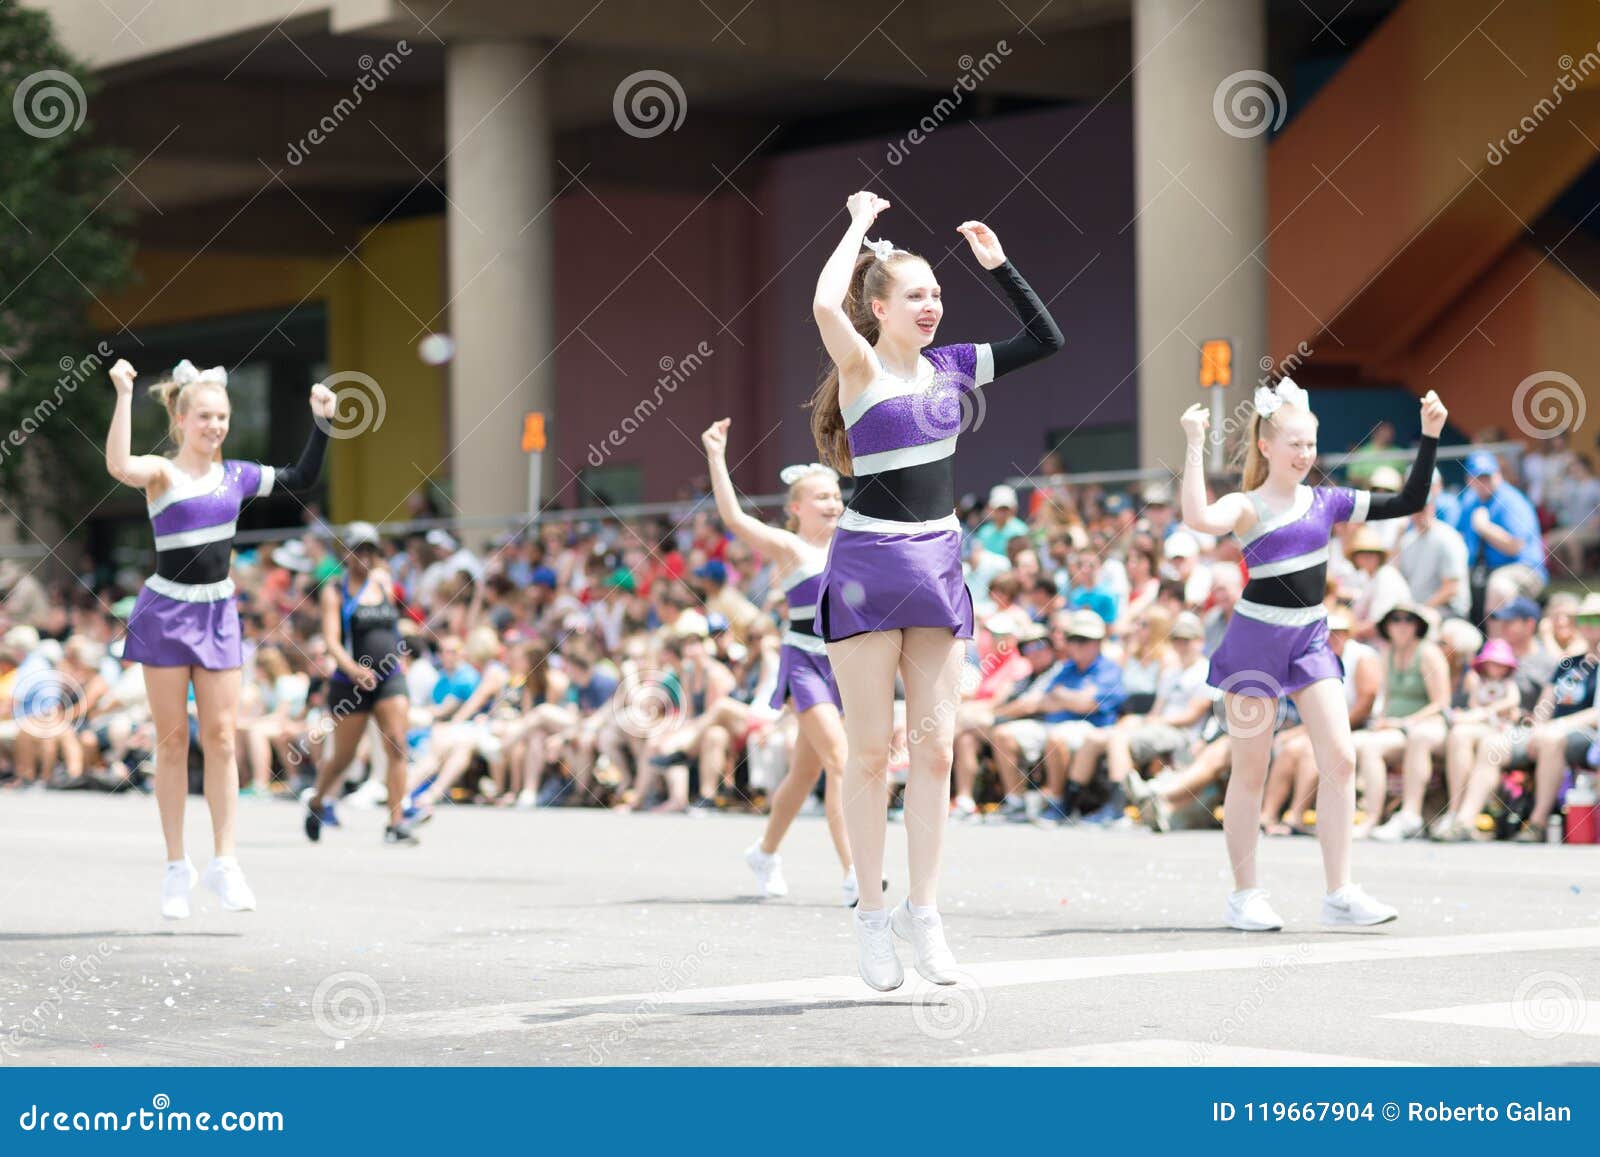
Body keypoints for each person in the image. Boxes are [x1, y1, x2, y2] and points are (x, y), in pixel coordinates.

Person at [808, 190, 1062, 989]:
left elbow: (1045, 338)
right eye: (915, 294)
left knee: (938, 746)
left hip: (938, 563)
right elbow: (822, 298)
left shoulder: (953, 366)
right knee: (872, 752)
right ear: (878, 307)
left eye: (937, 294)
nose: (931, 305)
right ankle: (872, 919)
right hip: (867, 569)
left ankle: (926, 913)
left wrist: (1000, 267)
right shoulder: (859, 365)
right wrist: (853, 223)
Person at [1179, 377, 1445, 931]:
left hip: (1310, 638)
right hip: (1255, 643)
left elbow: (1411, 499)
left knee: (1341, 758)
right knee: (1251, 770)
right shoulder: (1247, 506)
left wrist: (1429, 436)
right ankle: (1245, 895)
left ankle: (1339, 891)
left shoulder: (1329, 501)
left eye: (1310, 444)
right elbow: (1198, 520)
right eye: (1294, 444)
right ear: (1266, 446)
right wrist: (1193, 443)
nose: (1305, 454)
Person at [104, 358, 333, 918]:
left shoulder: (239, 475)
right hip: (164, 614)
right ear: (181, 419)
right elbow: (117, 464)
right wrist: (123, 394)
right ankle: (176, 866)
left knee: (224, 738)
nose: (215, 425)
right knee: (173, 743)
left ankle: (225, 863)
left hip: (217, 613)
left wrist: (322, 423)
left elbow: (301, 479)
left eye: (222, 417)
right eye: (204, 416)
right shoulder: (161, 472)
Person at [702, 422, 860, 903]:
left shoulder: (851, 542)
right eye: (821, 498)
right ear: (795, 509)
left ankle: (765, 851)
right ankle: (858, 872)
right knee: (841, 761)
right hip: (805, 665)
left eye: (836, 495)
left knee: (806, 772)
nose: (833, 504)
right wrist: (715, 455)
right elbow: (733, 519)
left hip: (844, 666)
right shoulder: (791, 548)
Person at [302, 522, 420, 846]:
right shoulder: (336, 590)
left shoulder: (383, 584)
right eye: (358, 550)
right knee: (344, 757)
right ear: (347, 553)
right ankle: (317, 803)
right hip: (350, 683)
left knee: (396, 742)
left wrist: (401, 653)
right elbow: (332, 640)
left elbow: (392, 626)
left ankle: (396, 821)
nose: (364, 557)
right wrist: (353, 670)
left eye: (370, 550)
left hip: (389, 677)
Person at [1452, 451, 1547, 616]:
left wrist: (1485, 528)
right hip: (1480, 569)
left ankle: (1496, 641)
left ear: (1498, 474)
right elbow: (1457, 536)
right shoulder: (1469, 500)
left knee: (1499, 586)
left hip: (1522, 569)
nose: (1483, 482)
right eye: (1478, 478)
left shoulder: (1512, 500)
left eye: (1487, 476)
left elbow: (1515, 547)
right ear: (1469, 480)